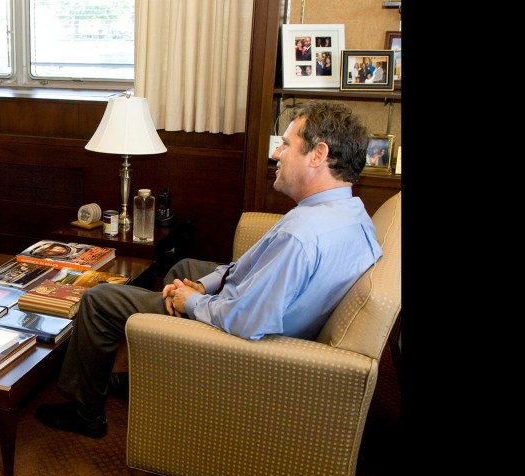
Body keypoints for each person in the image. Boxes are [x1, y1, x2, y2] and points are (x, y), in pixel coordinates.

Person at [34, 101, 383, 439]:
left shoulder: (302, 235)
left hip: (242, 342)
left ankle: (85, 413)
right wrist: (203, 285)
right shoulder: (352, 214)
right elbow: (250, 270)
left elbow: (249, 319)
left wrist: (192, 302)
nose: (276, 154)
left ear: (318, 155)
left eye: (287, 145)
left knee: (99, 300)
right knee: (184, 268)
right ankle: (153, 363)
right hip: (258, 311)